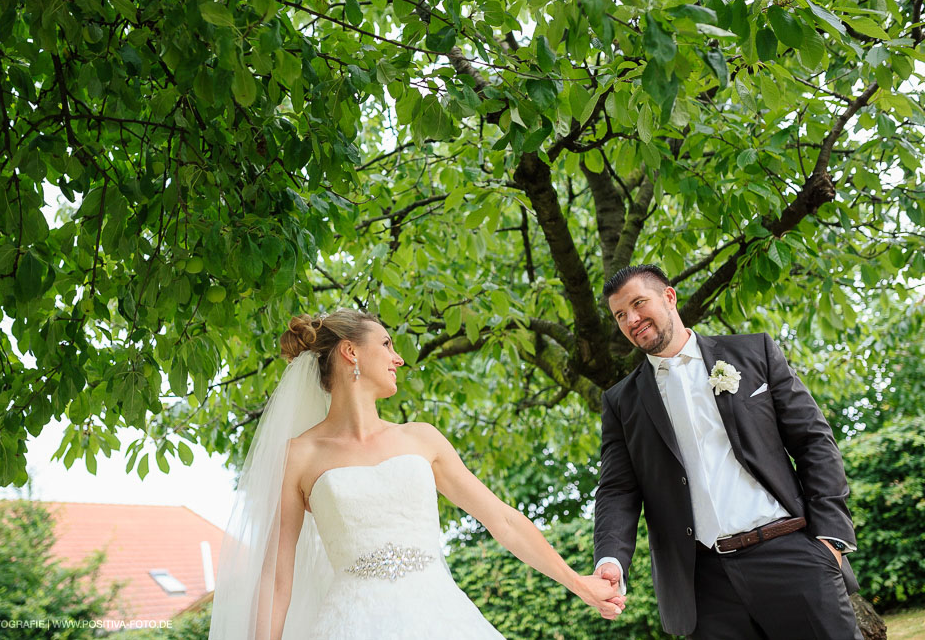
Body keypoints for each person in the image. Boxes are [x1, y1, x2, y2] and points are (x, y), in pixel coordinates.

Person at [209, 308, 623, 639]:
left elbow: (504, 521)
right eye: (387, 344)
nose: (398, 357)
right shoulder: (299, 456)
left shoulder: (422, 439)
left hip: (442, 618)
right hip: (350, 625)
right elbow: (277, 577)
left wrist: (580, 584)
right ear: (351, 352)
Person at [591, 264, 862, 639]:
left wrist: (831, 537)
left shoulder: (754, 352)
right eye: (620, 315)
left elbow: (813, 440)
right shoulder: (621, 402)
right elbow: (617, 489)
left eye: (639, 303)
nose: (632, 319)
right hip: (703, 586)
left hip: (790, 556)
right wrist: (611, 559)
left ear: (669, 297)